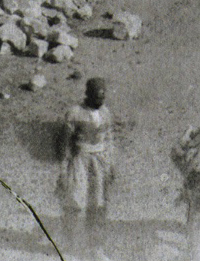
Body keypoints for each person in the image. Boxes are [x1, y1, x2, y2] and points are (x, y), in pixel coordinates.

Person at [57, 76, 119, 260]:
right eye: (97, 97)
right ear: (88, 95)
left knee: (98, 205)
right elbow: (63, 143)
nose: (101, 100)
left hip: (99, 162)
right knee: (75, 203)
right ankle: (70, 245)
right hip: (80, 161)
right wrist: (63, 168)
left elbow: (109, 141)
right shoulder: (75, 113)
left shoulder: (106, 113)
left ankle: (95, 247)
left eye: (103, 97)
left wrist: (111, 164)